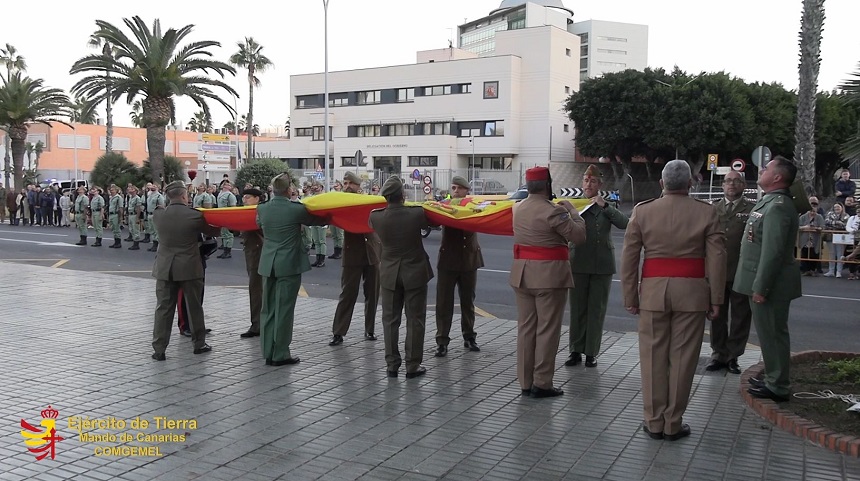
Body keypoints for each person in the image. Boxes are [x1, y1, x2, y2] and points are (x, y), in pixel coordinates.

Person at [620, 159, 725, 441]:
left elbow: (629, 259)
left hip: (653, 292)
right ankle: (673, 423)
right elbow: (716, 259)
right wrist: (716, 298)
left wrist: (631, 296)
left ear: (661, 183)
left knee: (652, 356)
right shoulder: (707, 213)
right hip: (692, 294)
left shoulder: (643, 212)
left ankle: (653, 422)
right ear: (690, 183)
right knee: (684, 358)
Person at [510, 166, 586, 398]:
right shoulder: (553, 212)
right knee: (547, 330)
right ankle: (542, 382)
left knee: (526, 329)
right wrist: (573, 212)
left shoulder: (517, 209)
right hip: (549, 277)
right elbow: (579, 236)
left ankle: (525, 381)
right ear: (548, 185)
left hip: (522, 274)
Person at [735, 156, 802, 403]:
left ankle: (778, 385)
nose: (761, 170)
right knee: (767, 333)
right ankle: (773, 376)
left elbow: (772, 252)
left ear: (777, 177)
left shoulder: (778, 206)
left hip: (769, 285)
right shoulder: (771, 202)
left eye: (767, 168)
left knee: (773, 333)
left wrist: (761, 287)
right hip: (762, 282)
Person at [257, 173, 329, 366]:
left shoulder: (262, 208)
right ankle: (280, 353)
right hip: (288, 264)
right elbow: (318, 221)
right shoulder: (295, 209)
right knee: (284, 309)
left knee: (268, 309)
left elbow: (258, 224)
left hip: (268, 263)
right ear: (289, 190)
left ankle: (268, 351)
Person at [369, 176, 434, 379]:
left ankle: (391, 365)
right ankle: (412, 365)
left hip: (389, 273)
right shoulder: (416, 214)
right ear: (403, 195)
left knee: (389, 320)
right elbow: (432, 221)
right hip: (414, 272)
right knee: (415, 319)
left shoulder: (376, 217)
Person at [150, 181, 222, 361]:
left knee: (163, 309)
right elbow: (215, 231)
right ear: (184, 196)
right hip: (189, 267)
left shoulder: (159, 214)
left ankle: (159, 349)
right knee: (194, 307)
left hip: (165, 267)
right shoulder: (194, 216)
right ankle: (199, 344)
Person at [565, 165, 628, 368]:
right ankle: (575, 350)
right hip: (579, 262)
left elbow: (625, 223)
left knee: (596, 310)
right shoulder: (574, 204)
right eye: (586, 180)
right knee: (577, 309)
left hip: (602, 264)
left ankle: (591, 352)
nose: (588, 184)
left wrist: (605, 206)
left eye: (593, 181)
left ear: (600, 185)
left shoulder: (606, 206)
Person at [705, 170, 754, 375]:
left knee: (741, 316)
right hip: (717, 271)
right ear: (722, 185)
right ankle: (718, 354)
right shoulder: (713, 208)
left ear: (743, 185)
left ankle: (733, 356)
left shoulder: (751, 209)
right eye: (728, 181)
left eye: (736, 181)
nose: (731, 185)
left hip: (741, 271)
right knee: (717, 315)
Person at [434, 175, 485, 357]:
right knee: (443, 303)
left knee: (467, 301)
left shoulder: (474, 206)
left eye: (459, 189)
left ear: (466, 191)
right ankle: (442, 341)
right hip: (448, 260)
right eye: (453, 188)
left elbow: (485, 218)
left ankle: (469, 336)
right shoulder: (445, 206)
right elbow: (432, 221)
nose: (455, 191)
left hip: (469, 260)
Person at [330, 172, 381, 346]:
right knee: (348, 294)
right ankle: (338, 332)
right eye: (345, 183)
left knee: (372, 294)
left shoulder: (368, 201)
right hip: (352, 254)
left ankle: (370, 329)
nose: (346, 186)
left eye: (350, 183)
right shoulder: (342, 202)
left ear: (358, 185)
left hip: (372, 252)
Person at [239, 188, 265, 338]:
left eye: (248, 197)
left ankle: (258, 325)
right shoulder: (246, 211)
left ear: (257, 198)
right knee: (255, 289)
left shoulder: (260, 211)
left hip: (258, 252)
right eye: (244, 197)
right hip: (251, 252)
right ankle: (257, 323)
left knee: (256, 289)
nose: (244, 200)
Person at [797, 196, 824, 276]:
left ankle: (813, 270)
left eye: (814, 211)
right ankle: (805, 270)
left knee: (814, 254)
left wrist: (818, 228)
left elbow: (822, 226)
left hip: (815, 239)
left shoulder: (819, 217)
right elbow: (798, 226)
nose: (812, 212)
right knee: (804, 254)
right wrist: (805, 227)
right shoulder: (802, 217)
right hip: (805, 238)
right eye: (811, 210)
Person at [823, 202, 849, 278]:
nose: (836, 208)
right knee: (831, 254)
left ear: (842, 208)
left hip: (841, 236)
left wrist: (835, 225)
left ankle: (839, 271)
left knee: (840, 254)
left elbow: (845, 225)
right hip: (830, 236)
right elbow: (827, 222)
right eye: (835, 207)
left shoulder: (846, 215)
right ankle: (831, 271)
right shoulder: (830, 214)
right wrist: (838, 222)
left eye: (838, 207)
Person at [307, 182, 328, 267]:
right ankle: (317, 258)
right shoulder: (312, 197)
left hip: (321, 220)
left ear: (321, 187)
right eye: (314, 186)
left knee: (322, 241)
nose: (315, 188)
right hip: (314, 220)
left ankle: (322, 259)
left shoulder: (324, 197)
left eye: (317, 186)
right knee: (316, 241)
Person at [216, 181, 237, 258]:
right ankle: (225, 249)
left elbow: (233, 207)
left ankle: (228, 251)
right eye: (225, 184)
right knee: (224, 233)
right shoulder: (220, 194)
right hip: (221, 215)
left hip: (227, 216)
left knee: (228, 234)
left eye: (228, 184)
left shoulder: (230, 195)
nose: (225, 185)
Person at [145, 183, 165, 251]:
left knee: (156, 230)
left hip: (155, 214)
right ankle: (154, 243)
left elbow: (162, 206)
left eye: (154, 186)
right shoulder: (149, 195)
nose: (152, 187)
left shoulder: (159, 196)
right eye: (152, 186)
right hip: (149, 214)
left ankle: (156, 245)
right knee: (152, 230)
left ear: (158, 188)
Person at [328, 181, 345, 259]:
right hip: (332, 216)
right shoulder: (331, 194)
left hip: (340, 217)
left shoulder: (342, 195)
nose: (336, 185)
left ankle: (340, 252)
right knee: (334, 235)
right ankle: (336, 251)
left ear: (341, 186)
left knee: (339, 235)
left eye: (337, 184)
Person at [126, 186, 143, 250]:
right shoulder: (130, 198)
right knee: (131, 229)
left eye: (132, 189)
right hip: (130, 214)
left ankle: (136, 244)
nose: (130, 190)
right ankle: (134, 242)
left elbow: (139, 208)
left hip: (134, 215)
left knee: (136, 229)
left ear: (135, 191)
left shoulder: (137, 198)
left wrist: (137, 218)